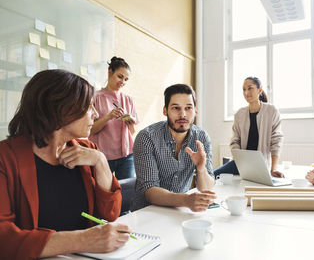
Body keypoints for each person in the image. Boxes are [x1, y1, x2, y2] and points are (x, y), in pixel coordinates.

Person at [0, 70, 131, 259]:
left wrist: (101, 161)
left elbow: (110, 214)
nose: (95, 114)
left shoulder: (87, 149)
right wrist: (82, 240)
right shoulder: (6, 157)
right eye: (89, 107)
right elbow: (3, 238)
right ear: (60, 109)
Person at [132, 84, 216, 212]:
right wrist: (185, 200)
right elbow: (149, 190)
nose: (183, 115)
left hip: (179, 211)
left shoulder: (202, 137)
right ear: (165, 110)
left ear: (195, 111)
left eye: (188, 108)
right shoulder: (147, 137)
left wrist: (201, 169)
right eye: (176, 108)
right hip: (147, 212)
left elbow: (206, 189)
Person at [214, 76, 284, 178]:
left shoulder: (272, 111)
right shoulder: (239, 114)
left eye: (250, 88)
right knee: (211, 176)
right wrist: (240, 161)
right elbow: (235, 141)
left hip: (262, 166)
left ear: (260, 90)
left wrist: (273, 169)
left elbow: (276, 141)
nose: (246, 92)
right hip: (241, 164)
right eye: (244, 89)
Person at [90, 56, 139, 180]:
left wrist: (130, 122)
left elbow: (132, 132)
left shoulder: (128, 100)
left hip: (127, 156)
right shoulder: (95, 97)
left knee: (126, 194)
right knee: (101, 193)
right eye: (120, 76)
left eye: (126, 79)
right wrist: (108, 117)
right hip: (102, 156)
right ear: (110, 72)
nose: (123, 82)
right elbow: (90, 130)